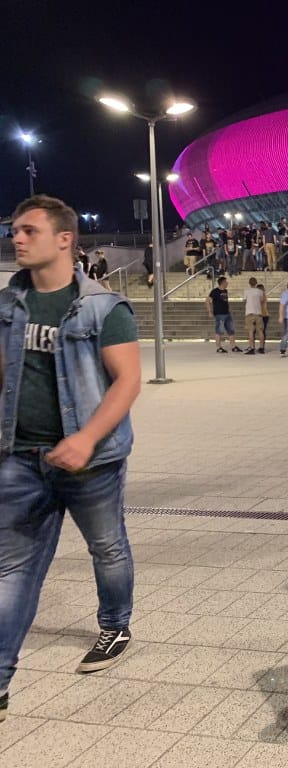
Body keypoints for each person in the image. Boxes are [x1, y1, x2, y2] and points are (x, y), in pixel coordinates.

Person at [0, 195, 142, 723]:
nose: (17, 238)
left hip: (92, 460)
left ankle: (115, 625)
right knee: (12, 567)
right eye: (15, 230)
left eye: (29, 230)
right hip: (19, 457)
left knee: (106, 547)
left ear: (65, 239)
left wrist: (86, 439)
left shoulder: (102, 307)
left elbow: (127, 381)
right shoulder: (7, 305)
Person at [206, 276, 243, 353]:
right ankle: (219, 347)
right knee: (219, 330)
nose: (227, 283)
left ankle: (233, 346)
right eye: (226, 282)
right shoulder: (215, 291)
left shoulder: (225, 291)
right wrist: (210, 311)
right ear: (222, 283)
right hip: (219, 314)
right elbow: (207, 301)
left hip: (227, 313)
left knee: (231, 330)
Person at [242, 276, 263, 354]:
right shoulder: (260, 291)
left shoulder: (246, 291)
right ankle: (261, 347)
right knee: (260, 331)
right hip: (258, 313)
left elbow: (244, 300)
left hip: (249, 313)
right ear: (256, 283)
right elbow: (261, 300)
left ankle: (252, 347)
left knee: (250, 331)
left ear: (249, 283)